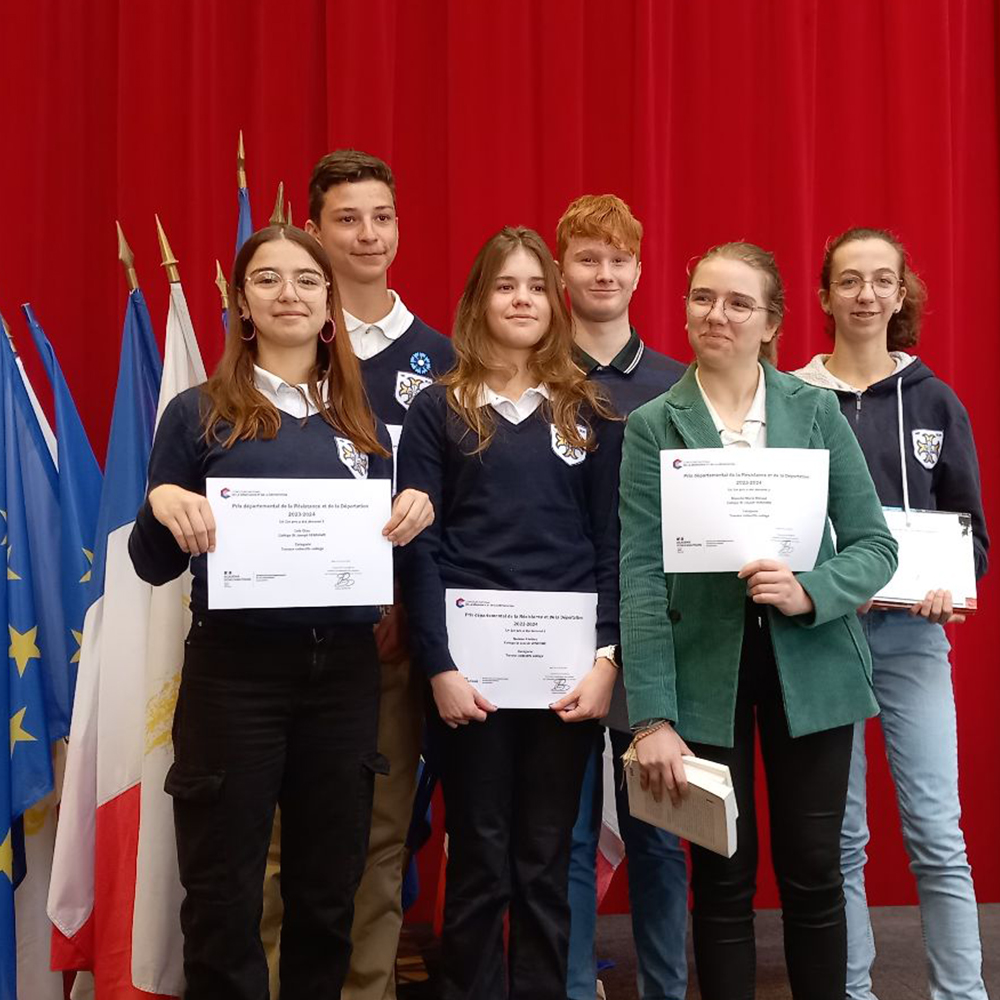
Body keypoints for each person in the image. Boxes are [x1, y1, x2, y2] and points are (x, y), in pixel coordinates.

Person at [128, 225, 429, 1000]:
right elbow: (152, 564)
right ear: (242, 302)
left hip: (345, 678)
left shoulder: (368, 425)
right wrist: (161, 503)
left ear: (331, 302)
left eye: (305, 279)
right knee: (225, 893)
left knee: (329, 893)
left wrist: (416, 520)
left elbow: (391, 564)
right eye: (268, 279)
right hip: (235, 676)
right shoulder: (198, 414)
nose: (288, 293)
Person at [619, 241, 898, 1000]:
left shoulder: (814, 410)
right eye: (703, 297)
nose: (717, 315)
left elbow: (876, 547)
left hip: (814, 670)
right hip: (702, 677)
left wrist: (811, 589)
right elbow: (641, 576)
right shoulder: (652, 424)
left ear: (772, 321)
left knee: (814, 872)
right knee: (721, 879)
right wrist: (651, 718)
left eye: (739, 303)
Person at [397, 226, 623, 999]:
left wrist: (605, 662)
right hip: (473, 681)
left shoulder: (589, 411)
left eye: (533, 286)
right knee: (481, 860)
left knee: (545, 862)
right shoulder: (438, 410)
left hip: (568, 682)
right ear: (477, 301)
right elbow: (420, 548)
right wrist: (439, 668)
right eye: (504, 285)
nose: (521, 299)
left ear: (553, 302)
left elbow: (609, 547)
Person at [792, 227, 990, 1000]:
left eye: (881, 280)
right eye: (849, 281)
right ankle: (852, 991)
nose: (866, 294)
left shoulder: (937, 399)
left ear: (900, 294)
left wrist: (950, 585)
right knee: (839, 840)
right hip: (823, 639)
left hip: (913, 637)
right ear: (824, 297)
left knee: (938, 834)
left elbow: (968, 534)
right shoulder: (794, 398)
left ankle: (962, 993)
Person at [301, 149, 453, 1000]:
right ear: (315, 231)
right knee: (286, 838)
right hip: (286, 641)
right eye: (348, 218)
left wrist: (404, 600)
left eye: (382, 217)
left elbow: (454, 501)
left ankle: (368, 990)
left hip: (393, 637)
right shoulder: (281, 345)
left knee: (383, 836)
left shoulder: (442, 355)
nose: (368, 234)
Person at [556, 193, 688, 1000]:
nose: (604, 273)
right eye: (587, 259)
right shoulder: (527, 375)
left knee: (660, 835)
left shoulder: (680, 384)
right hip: (555, 631)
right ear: (562, 273)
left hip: (654, 634)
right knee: (562, 837)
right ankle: (573, 987)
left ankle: (666, 991)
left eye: (619, 259)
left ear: (640, 272)